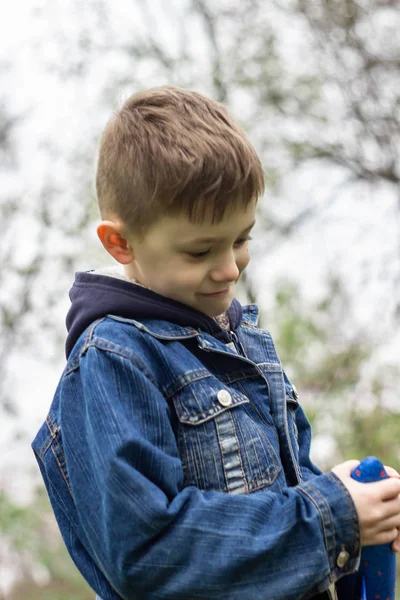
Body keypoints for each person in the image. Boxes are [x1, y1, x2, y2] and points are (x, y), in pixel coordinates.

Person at [32, 86, 400, 600]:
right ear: (120, 242)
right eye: (201, 249)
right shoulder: (113, 362)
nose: (229, 268)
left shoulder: (244, 344)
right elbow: (149, 554)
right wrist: (334, 514)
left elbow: (287, 506)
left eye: (242, 239)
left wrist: (360, 509)